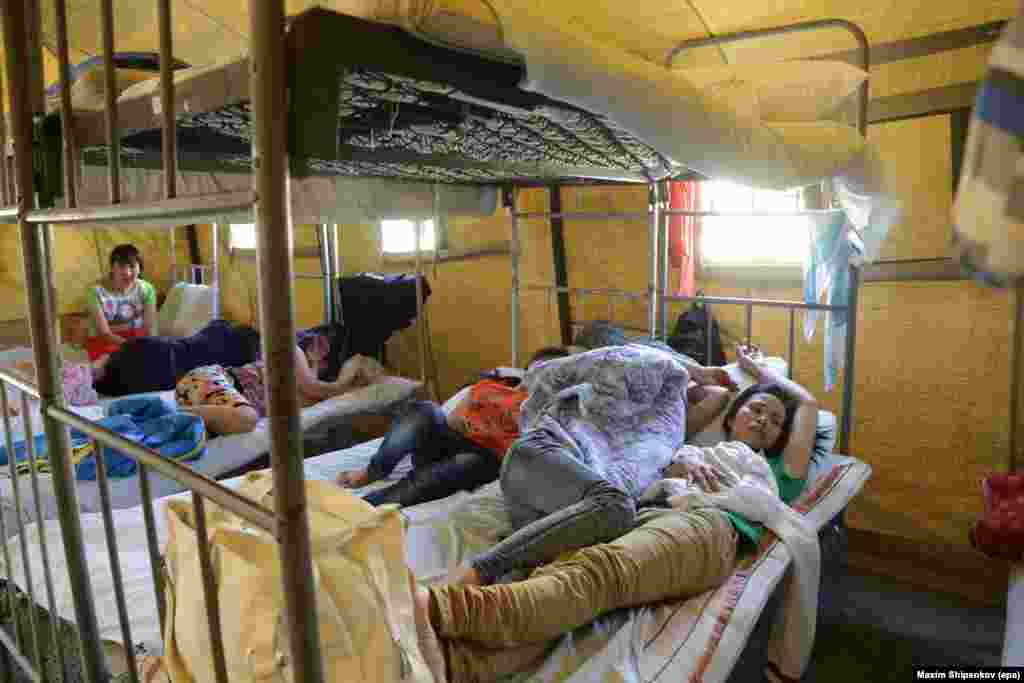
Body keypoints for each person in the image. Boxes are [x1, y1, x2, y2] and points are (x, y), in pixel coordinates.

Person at [414, 345, 819, 682]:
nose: (764, 419)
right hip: (651, 508)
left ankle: (442, 610)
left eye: (775, 421)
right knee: (561, 571)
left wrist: (757, 373)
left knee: (598, 574)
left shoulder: (777, 472)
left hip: (709, 521)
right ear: (732, 415)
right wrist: (686, 451)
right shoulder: (687, 443)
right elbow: (690, 392)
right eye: (757, 408)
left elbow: (808, 403)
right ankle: (458, 665)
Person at [449, 343, 739, 587]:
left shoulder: (668, 429)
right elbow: (569, 368)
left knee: (535, 580)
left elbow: (720, 396)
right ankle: (480, 569)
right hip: (542, 455)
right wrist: (697, 371)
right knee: (617, 507)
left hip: (560, 501)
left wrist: (717, 383)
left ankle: (453, 604)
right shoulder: (653, 367)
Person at [336, 347, 571, 507]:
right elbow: (454, 419)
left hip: (484, 457)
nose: (542, 374)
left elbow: (519, 448)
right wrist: (469, 427)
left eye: (551, 370)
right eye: (539, 366)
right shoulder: (489, 386)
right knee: (425, 409)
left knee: (464, 463)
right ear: (528, 368)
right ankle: (374, 471)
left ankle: (368, 505)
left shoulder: (547, 409)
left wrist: (482, 432)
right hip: (451, 440)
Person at [175, 349, 384, 436]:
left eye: (360, 382)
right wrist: (344, 384)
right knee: (248, 418)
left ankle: (175, 419)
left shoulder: (311, 399)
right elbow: (317, 386)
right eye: (357, 378)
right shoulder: (294, 351)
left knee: (244, 419)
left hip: (214, 401)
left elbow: (317, 390)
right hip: (211, 380)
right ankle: (167, 415)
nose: (355, 386)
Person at [84, 244, 157, 362]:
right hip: (104, 341)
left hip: (136, 338)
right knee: (109, 365)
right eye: (122, 267)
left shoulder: (147, 289)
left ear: (139, 268)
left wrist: (140, 347)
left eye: (132, 266)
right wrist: (130, 347)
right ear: (112, 268)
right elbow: (104, 332)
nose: (127, 272)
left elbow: (148, 327)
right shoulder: (95, 292)